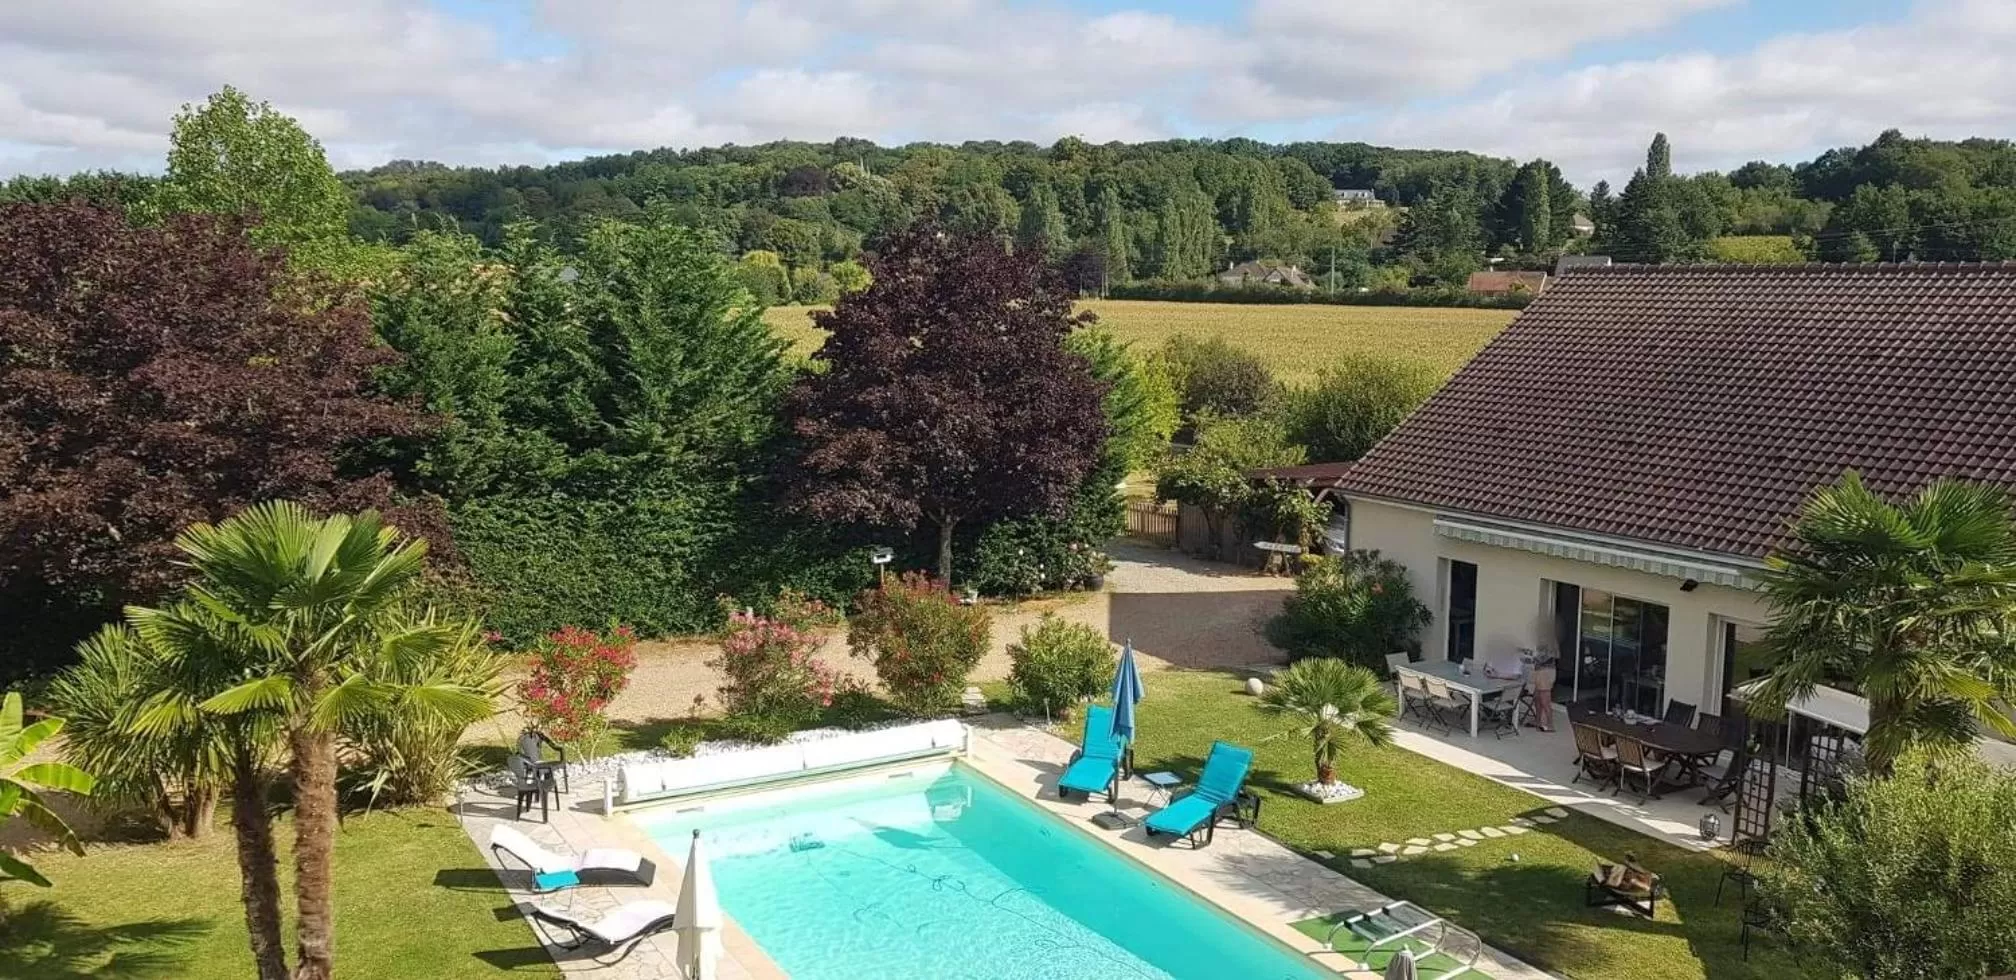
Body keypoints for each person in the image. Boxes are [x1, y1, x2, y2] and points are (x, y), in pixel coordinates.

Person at [1526, 629, 1560, 733]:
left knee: (1545, 699)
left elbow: (1554, 655)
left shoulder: (1551, 640)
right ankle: (1538, 720)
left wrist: (1534, 659)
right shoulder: (1540, 640)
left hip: (1546, 672)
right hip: (1539, 671)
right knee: (1536, 697)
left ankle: (1550, 725)